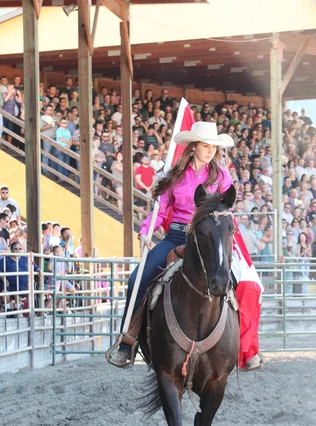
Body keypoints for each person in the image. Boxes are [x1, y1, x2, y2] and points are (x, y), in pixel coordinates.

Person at [111, 121, 263, 372]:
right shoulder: (174, 177)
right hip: (177, 236)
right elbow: (160, 212)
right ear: (193, 147)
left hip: (211, 240)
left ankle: (242, 347)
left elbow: (226, 210)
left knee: (241, 281)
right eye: (206, 146)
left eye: (214, 146)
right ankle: (127, 342)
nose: (211, 151)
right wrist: (145, 232)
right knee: (138, 278)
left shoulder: (222, 175)